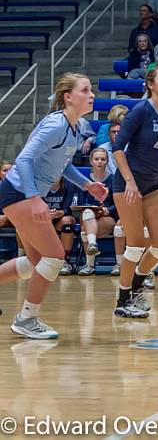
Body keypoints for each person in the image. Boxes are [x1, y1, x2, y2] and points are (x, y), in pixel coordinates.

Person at [0, 74, 109, 338]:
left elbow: (64, 165)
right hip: (18, 192)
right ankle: (26, 319)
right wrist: (35, 197)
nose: (91, 94)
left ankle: (26, 317)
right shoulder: (55, 125)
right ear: (68, 97)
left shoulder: (78, 125)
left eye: (91, 89)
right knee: (55, 256)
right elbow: (24, 159)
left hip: (24, 194)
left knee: (37, 262)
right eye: (85, 90)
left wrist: (87, 186)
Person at [109, 66, 158, 319]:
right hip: (128, 185)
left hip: (152, 185)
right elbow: (118, 148)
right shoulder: (140, 110)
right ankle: (122, 299)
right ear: (150, 84)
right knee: (135, 245)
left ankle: (137, 286)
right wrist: (129, 182)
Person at [72, 146, 118, 276]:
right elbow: (79, 202)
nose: (99, 162)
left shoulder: (113, 179)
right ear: (91, 161)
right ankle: (92, 248)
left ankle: (89, 264)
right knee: (87, 213)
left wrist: (108, 210)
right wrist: (92, 208)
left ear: (107, 161)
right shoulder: (83, 180)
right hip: (87, 214)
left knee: (86, 229)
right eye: (96, 159)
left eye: (103, 159)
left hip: (106, 216)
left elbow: (118, 203)